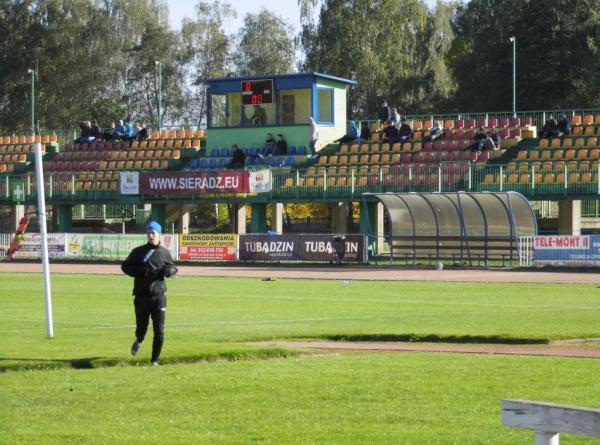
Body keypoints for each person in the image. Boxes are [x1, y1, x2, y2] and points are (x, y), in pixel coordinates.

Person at [121, 221, 178, 366]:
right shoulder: (138, 251)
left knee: (159, 330)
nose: (151, 235)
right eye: (149, 233)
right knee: (142, 327)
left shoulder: (164, 252)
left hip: (159, 296)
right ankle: (139, 339)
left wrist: (169, 272)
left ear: (159, 234)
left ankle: (154, 360)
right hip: (141, 296)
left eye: (154, 233)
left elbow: (173, 267)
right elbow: (125, 266)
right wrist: (139, 271)